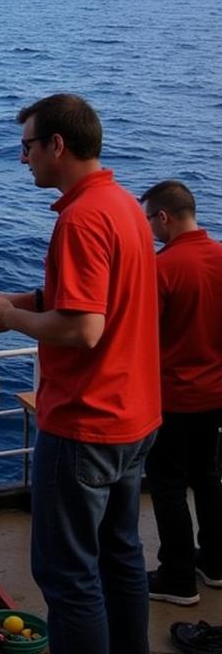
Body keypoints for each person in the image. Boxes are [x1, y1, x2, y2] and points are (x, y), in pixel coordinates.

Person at [0, 94, 160, 654]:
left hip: (86, 422)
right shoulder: (124, 205)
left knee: (67, 574)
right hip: (136, 417)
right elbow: (96, 298)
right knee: (120, 556)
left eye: (27, 146)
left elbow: (84, 329)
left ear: (57, 145)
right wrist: (25, 297)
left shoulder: (81, 219)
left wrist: (12, 319)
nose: (22, 158)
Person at [140, 179, 222, 605]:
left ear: (164, 217)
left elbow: (143, 336)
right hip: (216, 395)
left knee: (168, 484)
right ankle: (215, 561)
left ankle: (177, 577)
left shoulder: (162, 268)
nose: (150, 228)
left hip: (173, 396)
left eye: (149, 219)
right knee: (208, 475)